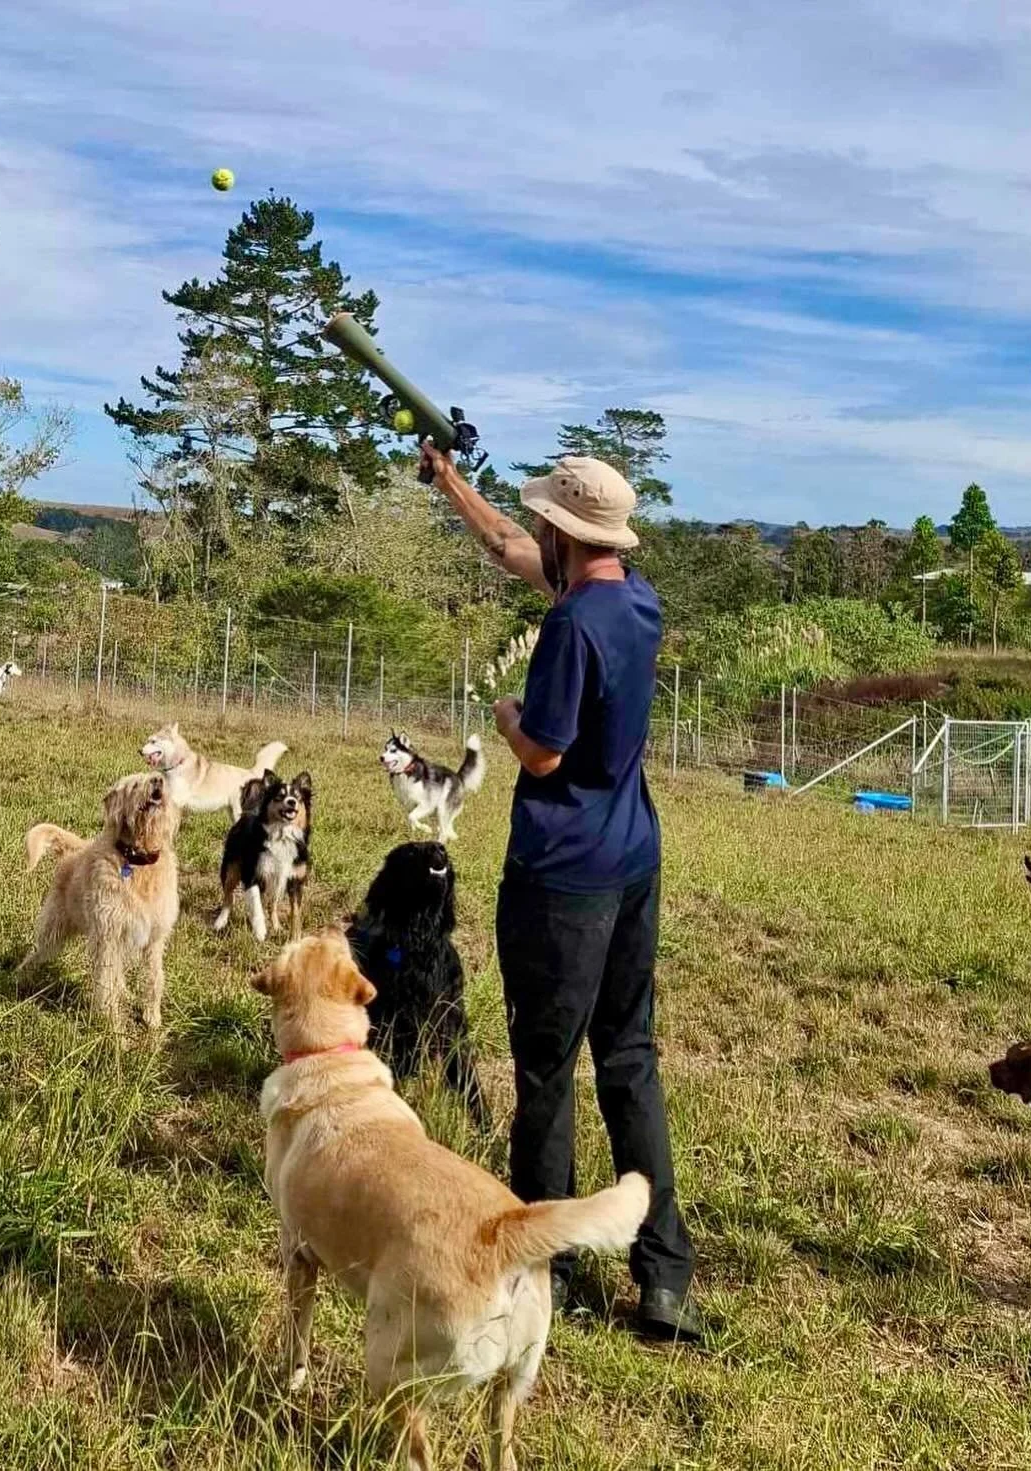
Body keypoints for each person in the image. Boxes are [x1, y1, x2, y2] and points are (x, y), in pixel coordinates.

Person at [420, 439, 700, 1344]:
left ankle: (548, 1266)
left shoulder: (570, 627)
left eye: (543, 518)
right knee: (630, 1058)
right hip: (633, 862)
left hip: (561, 882)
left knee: (546, 1073)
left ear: (564, 534)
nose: (533, 528)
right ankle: (664, 1275)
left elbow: (542, 751)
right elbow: (510, 546)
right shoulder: (635, 601)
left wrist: (505, 713)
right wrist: (450, 481)